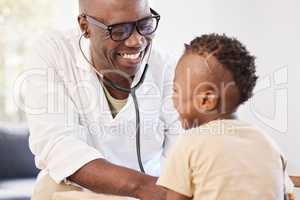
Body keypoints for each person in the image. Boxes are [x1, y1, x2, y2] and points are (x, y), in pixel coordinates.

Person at [22, 0, 181, 199]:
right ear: (85, 26)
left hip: (153, 191)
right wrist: (145, 188)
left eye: (145, 25)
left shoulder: (168, 68)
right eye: (120, 30)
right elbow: (57, 145)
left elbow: (183, 151)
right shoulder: (53, 51)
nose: (136, 41)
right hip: (77, 190)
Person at [157, 34, 291, 199]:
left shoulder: (189, 144)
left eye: (176, 90)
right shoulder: (268, 143)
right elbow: (285, 195)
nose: (173, 98)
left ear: (206, 100)